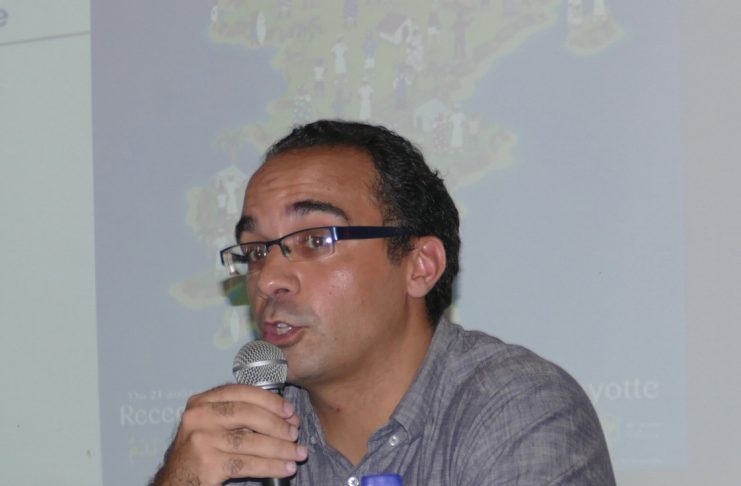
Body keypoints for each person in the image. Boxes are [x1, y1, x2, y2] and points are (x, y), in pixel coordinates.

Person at [151, 120, 616, 485]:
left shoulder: (516, 407)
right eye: (255, 251)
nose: (269, 278)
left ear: (419, 266)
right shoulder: (239, 439)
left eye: (315, 239)